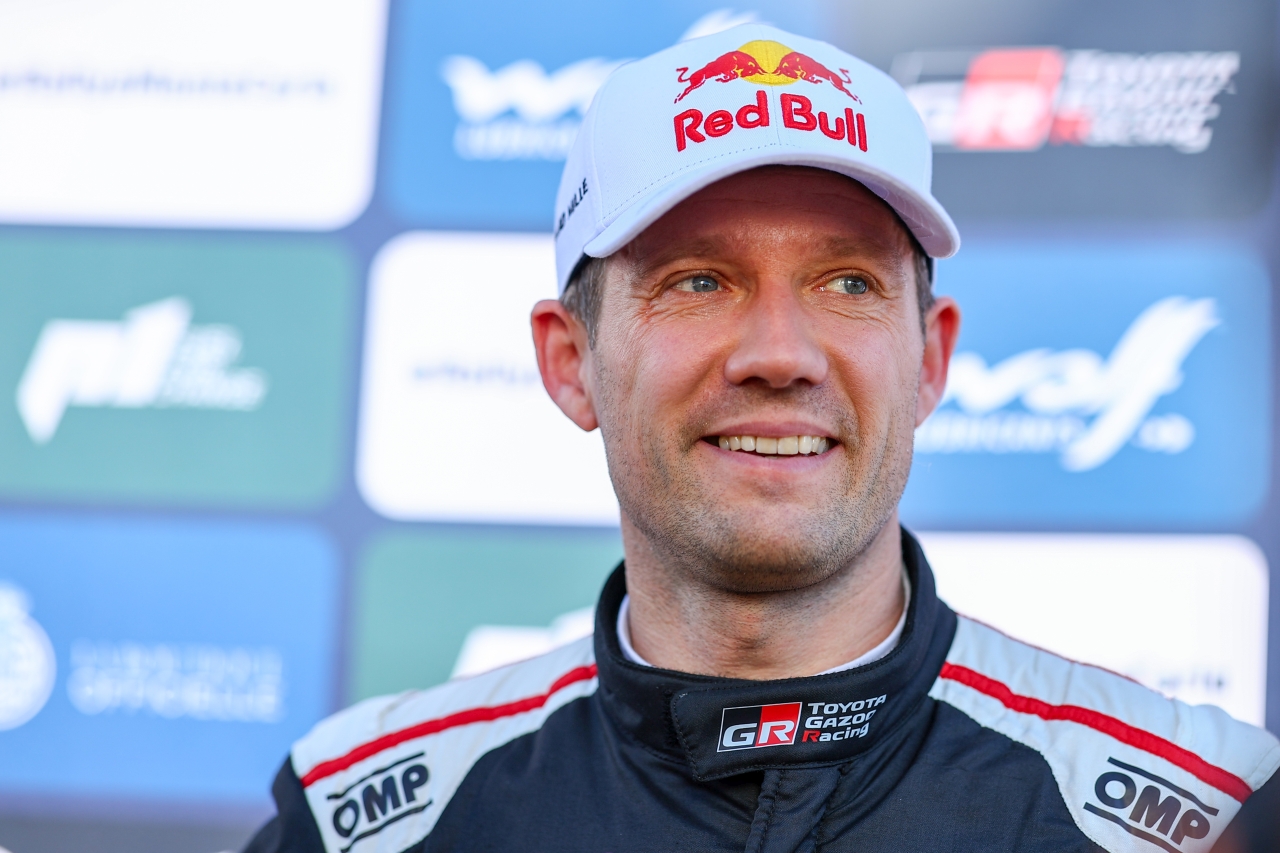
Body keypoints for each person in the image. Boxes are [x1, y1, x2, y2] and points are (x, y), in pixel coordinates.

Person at [244, 24, 1279, 853]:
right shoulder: (360, 820)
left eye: (847, 282)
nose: (780, 354)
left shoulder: (1207, 815)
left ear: (929, 360)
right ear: (570, 361)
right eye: (698, 280)